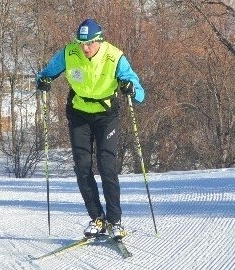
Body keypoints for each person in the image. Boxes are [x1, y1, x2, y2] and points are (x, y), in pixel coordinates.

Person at [36, 18, 145, 240]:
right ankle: (97, 218)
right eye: (81, 43)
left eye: (89, 43)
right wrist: (43, 81)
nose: (84, 48)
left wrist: (130, 87)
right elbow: (45, 73)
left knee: (107, 166)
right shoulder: (69, 53)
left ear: (99, 40)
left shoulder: (114, 56)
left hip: (106, 115)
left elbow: (140, 93)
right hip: (79, 114)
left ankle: (115, 221)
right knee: (83, 167)